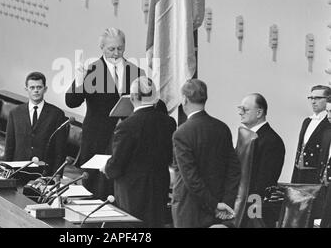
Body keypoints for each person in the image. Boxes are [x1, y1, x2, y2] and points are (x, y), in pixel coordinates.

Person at [65, 28, 144, 200]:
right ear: (102, 48)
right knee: (93, 195)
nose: (116, 53)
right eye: (111, 49)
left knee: (121, 196)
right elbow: (71, 102)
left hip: (126, 144)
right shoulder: (91, 71)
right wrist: (79, 81)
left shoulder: (136, 72)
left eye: (120, 48)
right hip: (97, 142)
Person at [100, 77, 176, 227]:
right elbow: (169, 155)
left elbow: (117, 164)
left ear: (133, 97)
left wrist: (106, 168)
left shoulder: (126, 126)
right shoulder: (169, 122)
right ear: (155, 98)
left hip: (132, 192)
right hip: (159, 186)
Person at [171, 79, 241, 228]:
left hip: (189, 211)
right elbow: (234, 170)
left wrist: (214, 204)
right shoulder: (222, 128)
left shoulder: (182, 133)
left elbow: (190, 177)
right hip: (218, 210)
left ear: (184, 99)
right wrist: (225, 203)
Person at [238, 93, 285, 227]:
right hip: (243, 204)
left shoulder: (272, 140)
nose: (240, 113)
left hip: (255, 208)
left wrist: (249, 208)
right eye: (240, 108)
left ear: (259, 113)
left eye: (245, 109)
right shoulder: (246, 136)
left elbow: (264, 182)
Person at [5, 72, 66, 174]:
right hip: (18, 170)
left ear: (45, 89)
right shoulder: (15, 113)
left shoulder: (57, 114)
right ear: (26, 89)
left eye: (39, 87)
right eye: (32, 87)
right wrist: (7, 171)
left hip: (45, 173)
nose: (36, 91)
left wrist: (56, 176)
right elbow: (9, 146)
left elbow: (60, 150)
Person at [291, 85, 331, 184]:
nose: (313, 101)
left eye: (317, 98)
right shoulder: (307, 121)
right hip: (300, 174)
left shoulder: (328, 123)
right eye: (311, 98)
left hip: (316, 176)